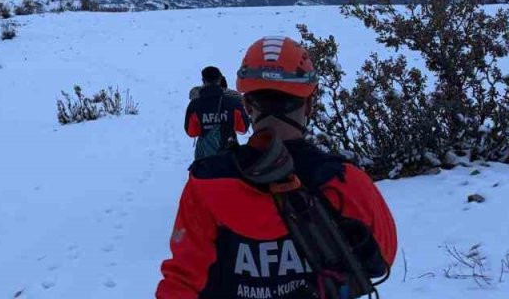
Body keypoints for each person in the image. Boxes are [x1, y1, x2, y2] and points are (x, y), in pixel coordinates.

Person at [157, 36, 397, 299]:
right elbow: (381, 260)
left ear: (248, 105)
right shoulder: (347, 182)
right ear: (309, 105)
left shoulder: (206, 184)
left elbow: (181, 282)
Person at [184, 66, 250, 161]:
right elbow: (243, 128)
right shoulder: (234, 102)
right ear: (220, 80)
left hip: (204, 159)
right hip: (229, 157)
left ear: (203, 81)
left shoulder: (195, 105)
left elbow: (192, 132)